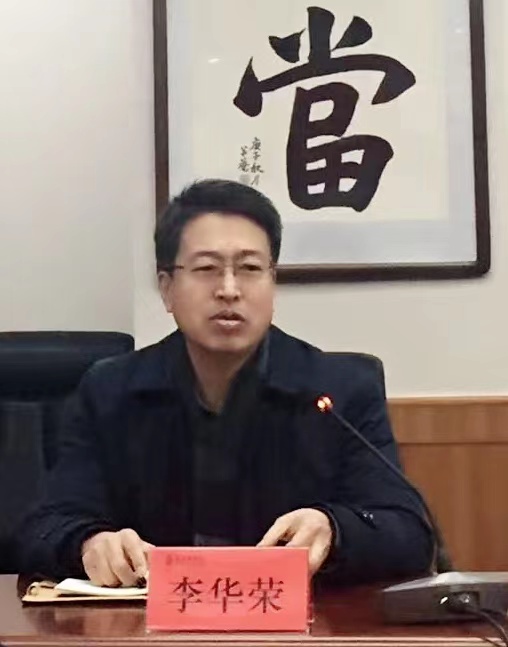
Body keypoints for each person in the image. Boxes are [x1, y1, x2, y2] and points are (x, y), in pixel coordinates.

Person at [16, 179, 432, 586]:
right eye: (206, 269)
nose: (229, 290)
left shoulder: (337, 391)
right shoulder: (111, 390)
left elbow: (410, 534)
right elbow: (42, 529)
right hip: (152, 621)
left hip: (296, 621)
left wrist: (334, 529)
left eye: (250, 268)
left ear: (273, 282)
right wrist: (88, 543)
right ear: (167, 289)